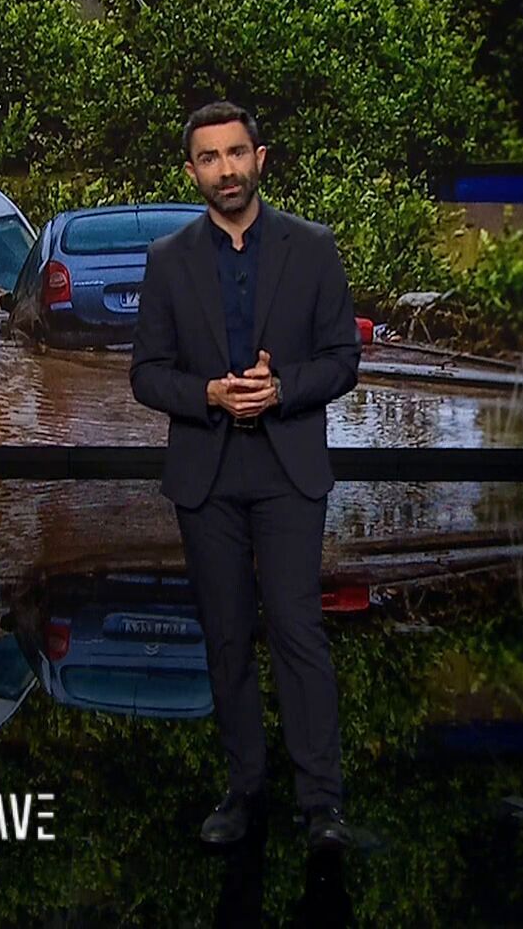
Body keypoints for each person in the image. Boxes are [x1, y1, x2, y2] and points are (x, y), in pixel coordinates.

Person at [129, 101, 359, 850]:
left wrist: (281, 386)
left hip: (288, 465)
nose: (225, 169)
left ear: (261, 157)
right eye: (209, 157)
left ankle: (322, 803)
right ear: (191, 170)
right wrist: (208, 393)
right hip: (209, 469)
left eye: (236, 153)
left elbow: (342, 361)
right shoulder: (168, 260)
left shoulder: (313, 247)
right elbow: (145, 376)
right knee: (226, 638)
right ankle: (244, 790)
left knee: (298, 631)